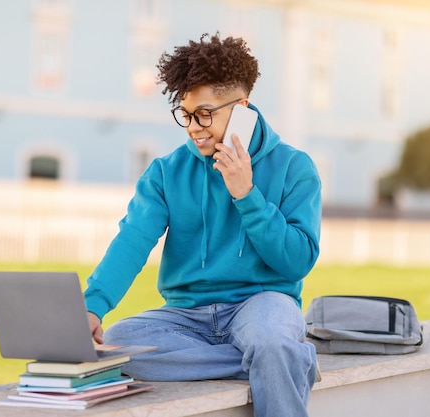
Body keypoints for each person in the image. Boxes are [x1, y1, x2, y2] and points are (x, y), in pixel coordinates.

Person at [84, 33, 322, 417]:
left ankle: (277, 354)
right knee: (117, 346)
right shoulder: (166, 172)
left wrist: (247, 196)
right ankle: (278, 360)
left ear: (243, 107)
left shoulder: (294, 168)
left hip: (262, 305)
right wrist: (93, 307)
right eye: (186, 114)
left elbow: (297, 262)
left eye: (205, 113)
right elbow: (133, 239)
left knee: (272, 340)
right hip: (186, 316)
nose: (194, 127)